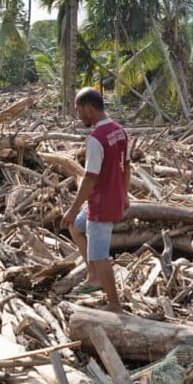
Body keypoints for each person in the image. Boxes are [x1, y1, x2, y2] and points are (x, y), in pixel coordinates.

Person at [62, 87, 131, 313]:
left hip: (101, 205)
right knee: (76, 227)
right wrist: (125, 194)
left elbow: (89, 179)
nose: (78, 115)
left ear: (89, 108)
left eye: (79, 110)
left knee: (100, 255)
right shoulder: (119, 131)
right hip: (113, 198)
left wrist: (72, 209)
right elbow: (127, 167)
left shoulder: (95, 139)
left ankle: (114, 305)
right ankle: (93, 276)